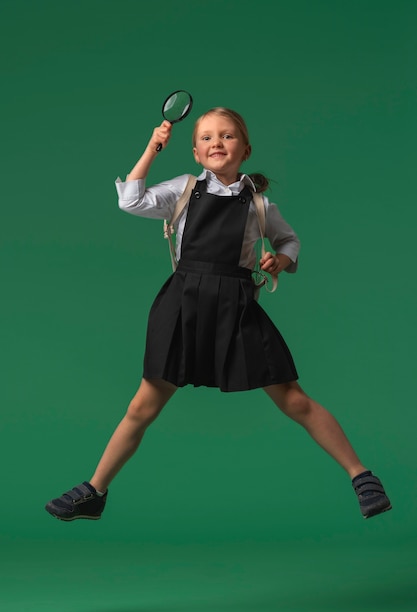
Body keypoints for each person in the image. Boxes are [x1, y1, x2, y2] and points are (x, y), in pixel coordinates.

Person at [45, 107, 391, 522]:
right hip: (182, 305)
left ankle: (362, 476)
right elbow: (130, 200)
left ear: (245, 148)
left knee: (294, 399)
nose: (217, 143)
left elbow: (290, 241)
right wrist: (153, 148)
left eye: (227, 136)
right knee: (142, 407)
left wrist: (280, 260)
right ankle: (94, 491)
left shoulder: (260, 205)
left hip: (237, 307)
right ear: (195, 151)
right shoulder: (183, 189)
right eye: (207, 137)